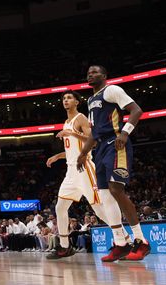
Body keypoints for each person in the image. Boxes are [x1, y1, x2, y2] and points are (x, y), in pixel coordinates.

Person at [77, 65, 150, 262]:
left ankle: (141, 241)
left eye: (95, 72)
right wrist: (84, 152)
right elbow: (94, 131)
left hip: (115, 143)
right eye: (88, 73)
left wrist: (125, 133)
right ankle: (120, 243)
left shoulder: (112, 90)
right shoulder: (91, 100)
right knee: (104, 195)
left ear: (105, 75)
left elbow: (136, 110)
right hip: (100, 148)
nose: (90, 75)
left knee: (116, 189)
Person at [45, 91, 108, 259]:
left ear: (77, 102)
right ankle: (65, 247)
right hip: (71, 170)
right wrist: (57, 156)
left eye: (69, 98)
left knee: (99, 210)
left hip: (84, 167)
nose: (66, 100)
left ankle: (124, 239)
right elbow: (72, 150)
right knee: (60, 207)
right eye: (64, 98)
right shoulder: (66, 122)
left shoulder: (80, 118)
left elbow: (92, 140)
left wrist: (71, 133)